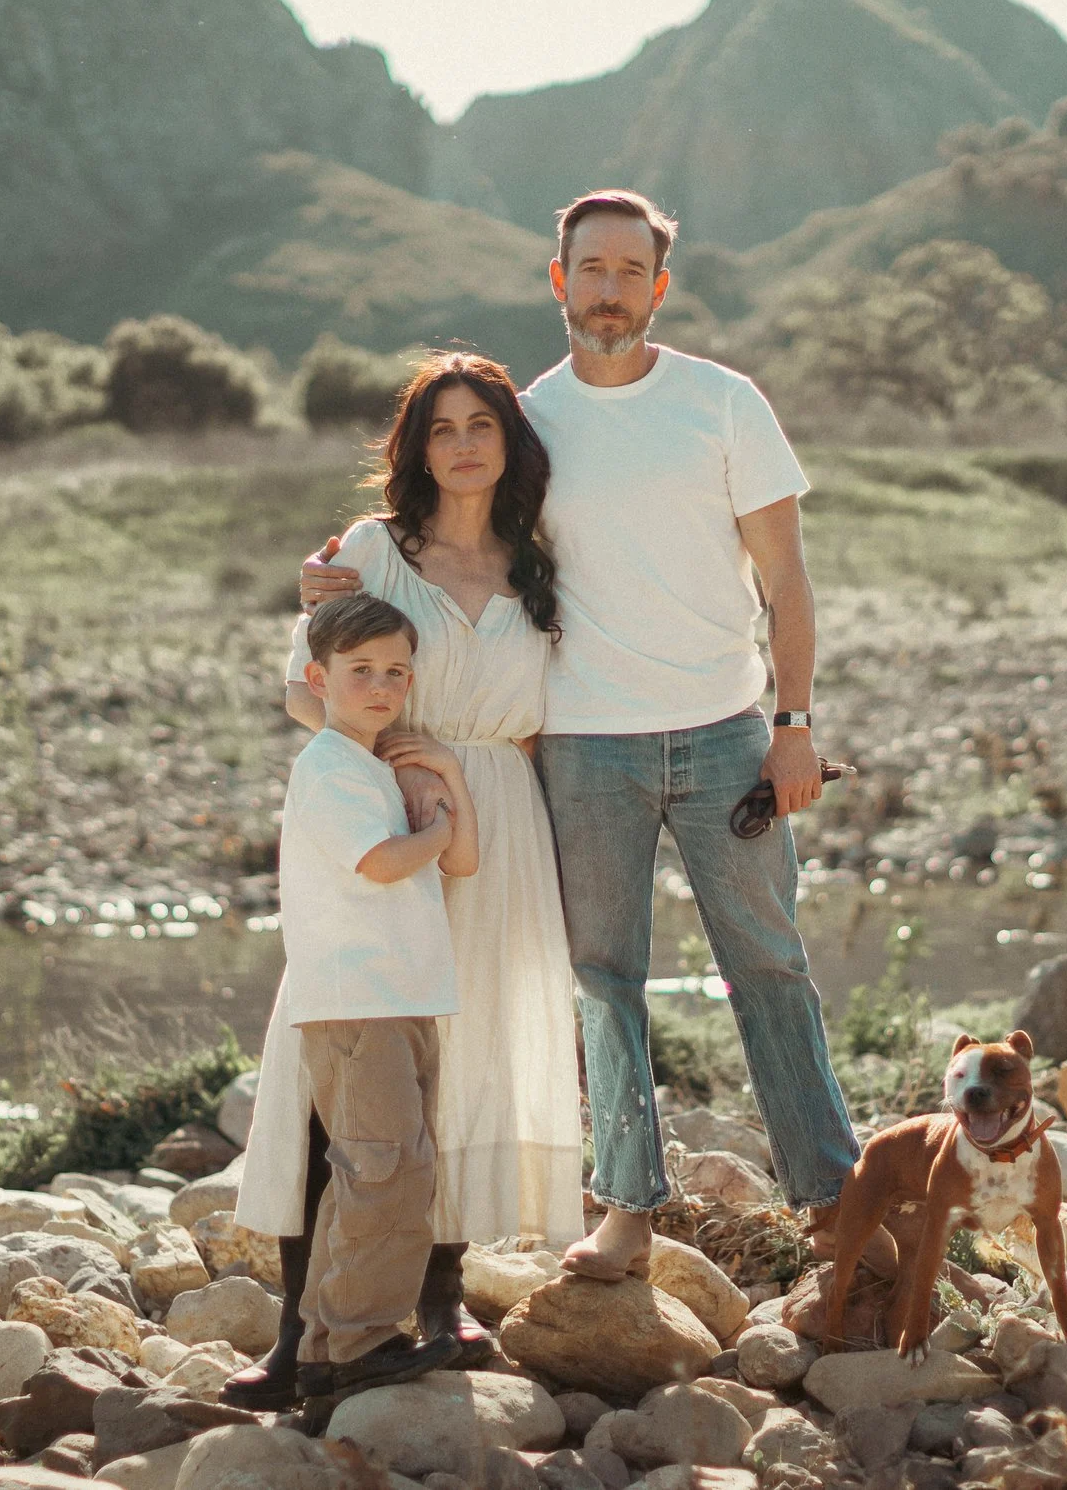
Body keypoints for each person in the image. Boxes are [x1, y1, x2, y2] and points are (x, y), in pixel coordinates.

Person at [304, 190, 877, 1285]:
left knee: (769, 964)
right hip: (580, 746)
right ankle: (626, 1208)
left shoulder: (724, 402)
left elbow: (786, 575)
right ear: (555, 279)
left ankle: (830, 1195)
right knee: (605, 980)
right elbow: (447, 523)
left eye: (630, 269)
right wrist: (335, 574)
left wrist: (794, 725)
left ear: (658, 286)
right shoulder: (530, 422)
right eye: (590, 267)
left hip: (724, 735)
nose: (608, 287)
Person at [231, 354, 583, 1409]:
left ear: (510, 442)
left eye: (484, 423)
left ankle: (437, 1303)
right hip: (396, 807)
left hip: (504, 817)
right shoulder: (370, 553)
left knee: (463, 1053)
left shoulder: (543, 558)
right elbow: (305, 691)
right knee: (336, 1061)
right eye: (442, 427)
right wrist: (397, 753)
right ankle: (299, 1332)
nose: (465, 443)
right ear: (415, 446)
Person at [267, 590, 476, 1403]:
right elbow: (386, 862)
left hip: (402, 995)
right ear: (317, 677)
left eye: (397, 670)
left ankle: (332, 1344)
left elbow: (464, 862)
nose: (382, 685)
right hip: (357, 1001)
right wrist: (434, 824)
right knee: (381, 1169)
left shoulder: (369, 763)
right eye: (361, 671)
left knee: (396, 1167)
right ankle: (352, 1343)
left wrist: (442, 795)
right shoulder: (327, 767)